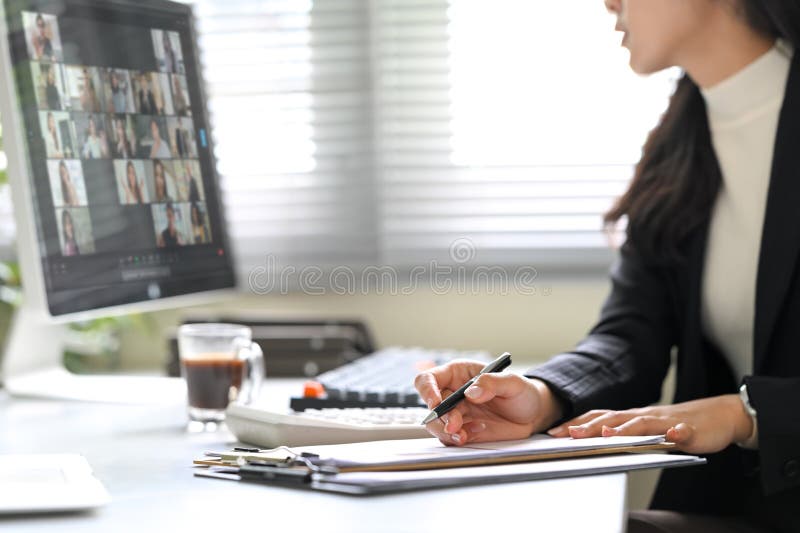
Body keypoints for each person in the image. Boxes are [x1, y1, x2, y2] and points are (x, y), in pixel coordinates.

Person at [414, 1, 800, 532]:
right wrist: (541, 396)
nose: (609, 3)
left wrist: (746, 413)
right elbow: (630, 335)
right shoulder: (681, 144)